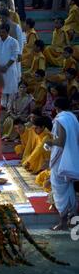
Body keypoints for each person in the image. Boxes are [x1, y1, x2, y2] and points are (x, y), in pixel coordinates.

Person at [45, 97, 79, 230]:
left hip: (61, 158)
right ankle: (73, 218)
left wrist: (49, 142)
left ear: (57, 108)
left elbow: (60, 142)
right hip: (71, 157)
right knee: (68, 188)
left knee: (60, 190)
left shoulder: (60, 120)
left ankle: (63, 222)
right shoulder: (73, 118)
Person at [0, 23, 19, 109]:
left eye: (3, 32)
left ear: (8, 32)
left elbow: (14, 56)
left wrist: (6, 67)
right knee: (2, 87)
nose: (1, 34)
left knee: (11, 87)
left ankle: (10, 105)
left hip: (10, 68)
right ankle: (3, 104)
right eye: (0, 32)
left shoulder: (14, 42)